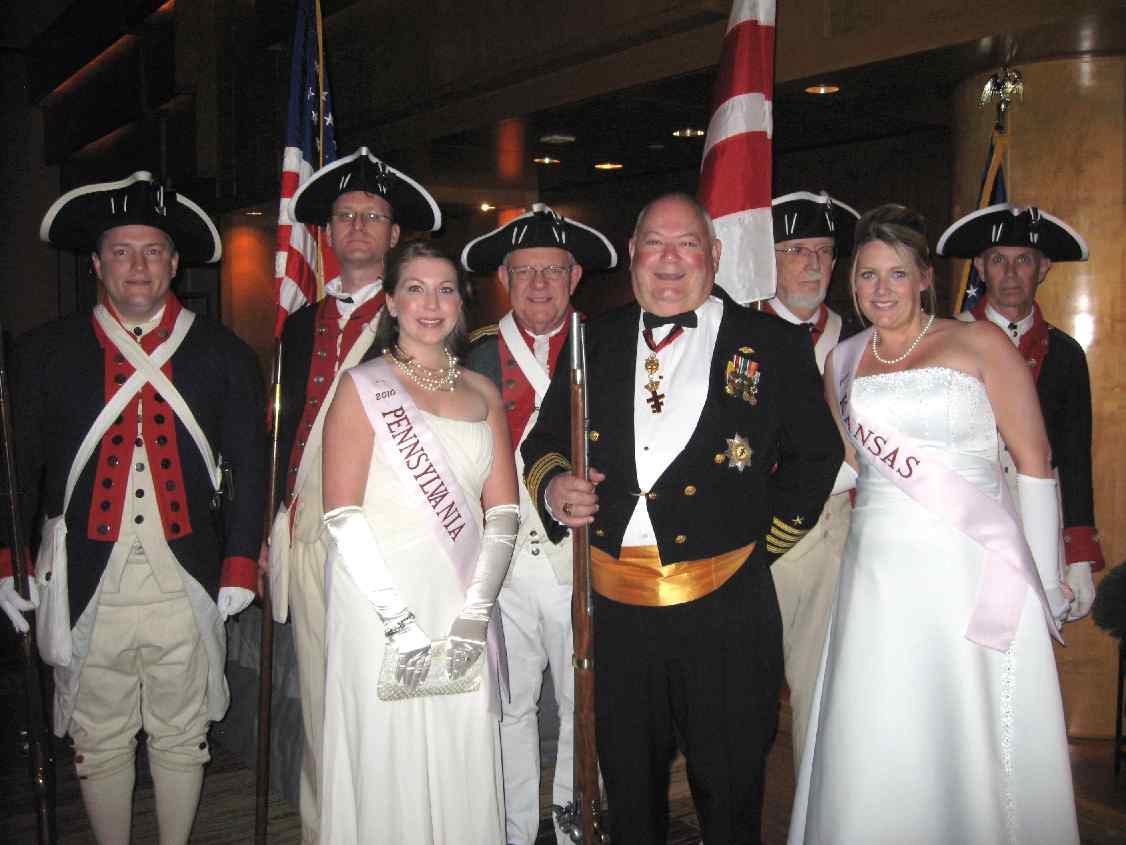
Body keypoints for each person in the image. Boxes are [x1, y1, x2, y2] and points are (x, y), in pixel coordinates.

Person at [522, 193, 842, 845]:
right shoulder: (594, 337)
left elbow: (818, 454)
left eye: (687, 243)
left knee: (728, 794)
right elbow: (544, 439)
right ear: (634, 255)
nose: (670, 260)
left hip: (725, 610)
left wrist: (756, 543)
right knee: (629, 796)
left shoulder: (773, 344)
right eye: (654, 244)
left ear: (714, 255)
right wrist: (555, 485)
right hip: (616, 612)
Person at [788, 205, 1079, 844]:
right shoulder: (842, 360)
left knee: (962, 716)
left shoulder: (977, 343)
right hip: (877, 575)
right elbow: (849, 465)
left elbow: (1034, 463)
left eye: (896, 274)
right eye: (867, 276)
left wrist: (1040, 576)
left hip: (967, 565)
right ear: (853, 284)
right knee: (880, 716)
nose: (881, 290)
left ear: (925, 278)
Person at [0, 171, 266, 843]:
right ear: (96, 262)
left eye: (153, 250)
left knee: (183, 730)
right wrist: (8, 559)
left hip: (186, 576)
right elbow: (14, 468)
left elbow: (250, 465)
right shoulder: (44, 353)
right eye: (121, 250)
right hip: (87, 576)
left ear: (175, 262)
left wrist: (239, 562)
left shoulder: (223, 353)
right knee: (99, 733)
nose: (138, 265)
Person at [266, 146, 441, 842]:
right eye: (345, 216)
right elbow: (282, 434)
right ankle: (325, 828)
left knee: (384, 698)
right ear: (328, 233)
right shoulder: (301, 324)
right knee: (320, 699)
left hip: (389, 537)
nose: (359, 227)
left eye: (373, 215)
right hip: (312, 532)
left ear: (396, 234)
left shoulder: (420, 320)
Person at [318, 241, 519, 843]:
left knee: (461, 748)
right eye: (415, 288)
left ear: (461, 301)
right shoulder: (362, 387)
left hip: (461, 598)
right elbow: (342, 516)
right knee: (391, 756)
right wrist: (397, 621)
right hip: (380, 603)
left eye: (446, 289)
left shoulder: (483, 392)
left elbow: (504, 512)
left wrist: (475, 613)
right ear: (391, 302)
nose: (431, 303)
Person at [462, 203, 617, 845]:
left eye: (552, 270)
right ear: (504, 278)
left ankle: (575, 819)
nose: (538, 285)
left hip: (579, 543)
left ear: (575, 276)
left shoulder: (607, 344)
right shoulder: (472, 352)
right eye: (524, 271)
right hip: (498, 548)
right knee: (510, 701)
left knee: (583, 700)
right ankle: (514, 827)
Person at [937, 203, 1100, 620]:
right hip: (962, 523)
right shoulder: (944, 342)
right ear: (979, 267)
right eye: (997, 261)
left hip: (1037, 524)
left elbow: (1075, 457)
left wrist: (1077, 554)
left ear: (1043, 267)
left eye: (1023, 260)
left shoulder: (1064, 354)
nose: (1010, 275)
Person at [763, 190, 861, 760]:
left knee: (824, 693)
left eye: (823, 252)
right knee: (745, 691)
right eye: (795, 249)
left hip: (837, 531)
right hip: (761, 533)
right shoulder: (739, 333)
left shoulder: (858, 338)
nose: (812, 264)